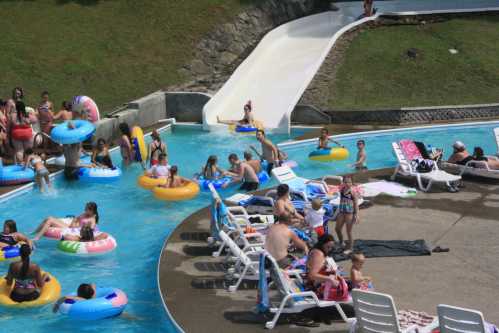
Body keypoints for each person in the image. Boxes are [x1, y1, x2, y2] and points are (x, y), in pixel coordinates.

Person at [306, 234, 347, 301]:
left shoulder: (317, 251)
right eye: (328, 247)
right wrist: (329, 279)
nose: (329, 249)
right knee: (349, 283)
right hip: (316, 286)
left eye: (331, 247)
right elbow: (312, 275)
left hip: (318, 283)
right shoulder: (318, 254)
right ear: (322, 244)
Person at [32, 202, 99, 241]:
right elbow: (76, 218)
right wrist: (73, 224)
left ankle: (37, 237)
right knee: (48, 218)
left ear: (91, 210)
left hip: (73, 231)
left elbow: (91, 230)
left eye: (86, 209)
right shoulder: (85, 214)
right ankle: (35, 232)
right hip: (70, 227)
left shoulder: (92, 219)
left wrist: (77, 227)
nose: (84, 210)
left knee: (50, 220)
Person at [335, 175, 360, 254]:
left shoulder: (353, 192)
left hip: (349, 213)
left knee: (349, 231)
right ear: (343, 183)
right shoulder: (342, 190)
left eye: (349, 182)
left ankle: (351, 248)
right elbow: (341, 199)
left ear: (352, 183)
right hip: (342, 211)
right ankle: (341, 242)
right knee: (337, 229)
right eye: (345, 182)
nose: (347, 183)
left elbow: (356, 204)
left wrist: (356, 215)